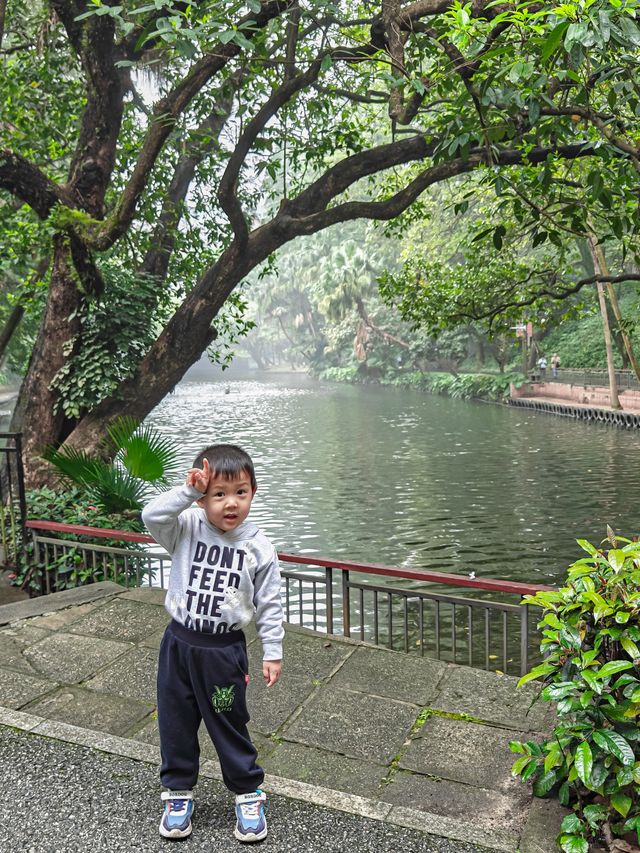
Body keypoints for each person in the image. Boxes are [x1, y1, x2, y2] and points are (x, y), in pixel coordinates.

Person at [142, 444, 284, 844]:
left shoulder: (259, 548)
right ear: (203, 497)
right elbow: (151, 515)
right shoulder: (185, 526)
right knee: (175, 721)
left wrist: (272, 651)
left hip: (223, 654)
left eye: (241, 491)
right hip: (179, 646)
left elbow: (270, 604)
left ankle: (247, 792)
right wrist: (187, 491)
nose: (230, 503)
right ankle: (177, 792)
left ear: (253, 492)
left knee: (228, 720)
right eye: (219, 494)